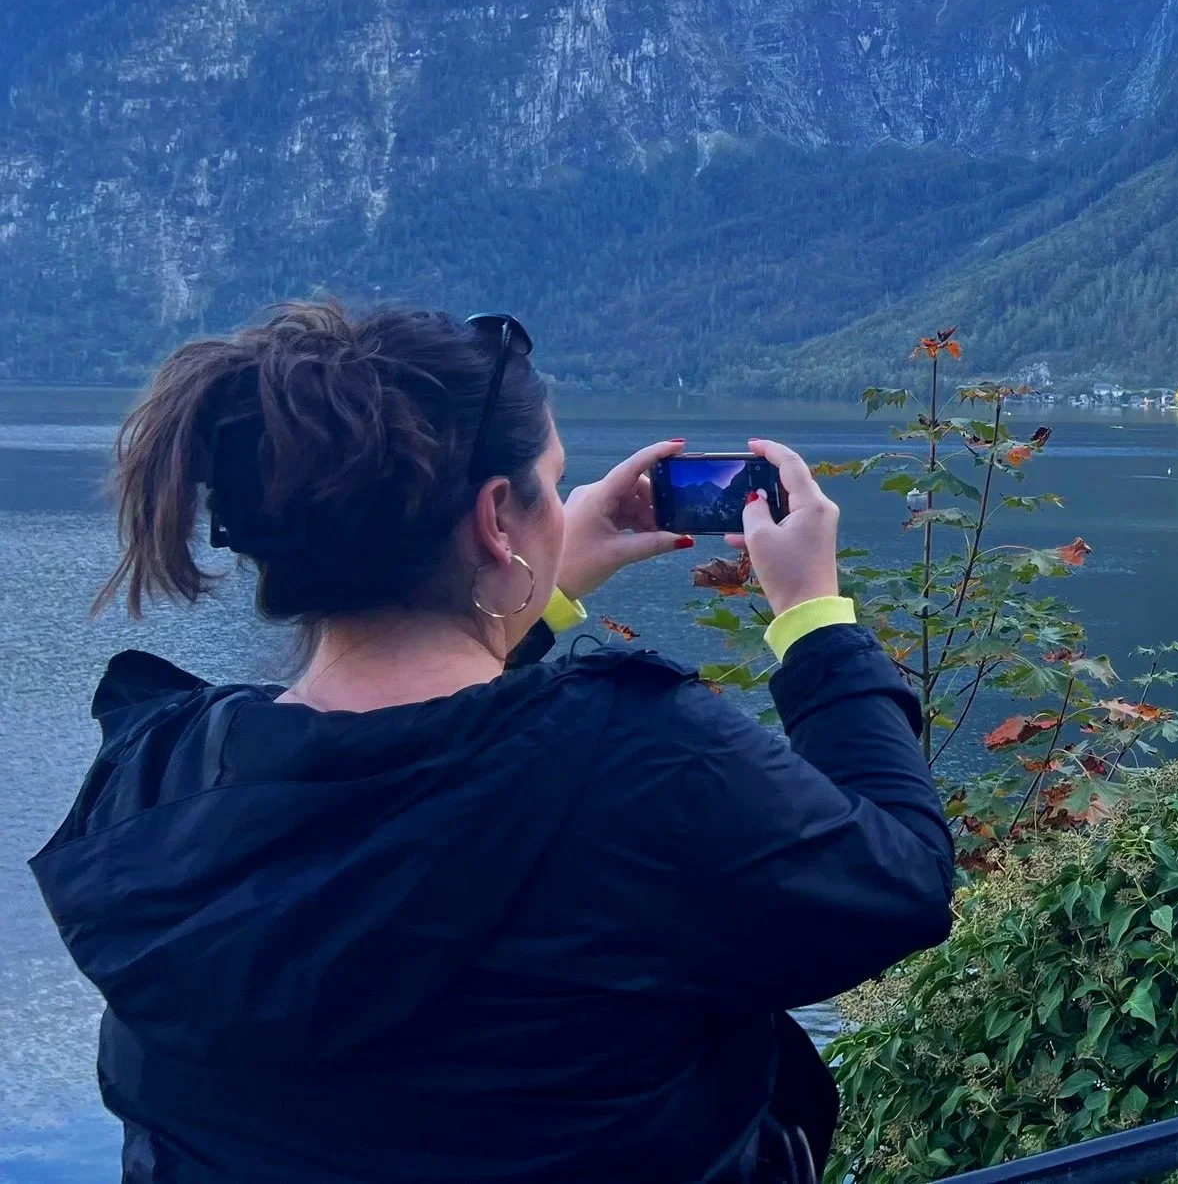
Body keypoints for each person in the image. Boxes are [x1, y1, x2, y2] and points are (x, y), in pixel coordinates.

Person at [32, 300, 954, 1183]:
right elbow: (900, 879)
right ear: (492, 519)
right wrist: (815, 618)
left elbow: (422, 757)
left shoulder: (156, 778)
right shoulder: (636, 766)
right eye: (552, 485)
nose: (565, 503)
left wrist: (535, 583)